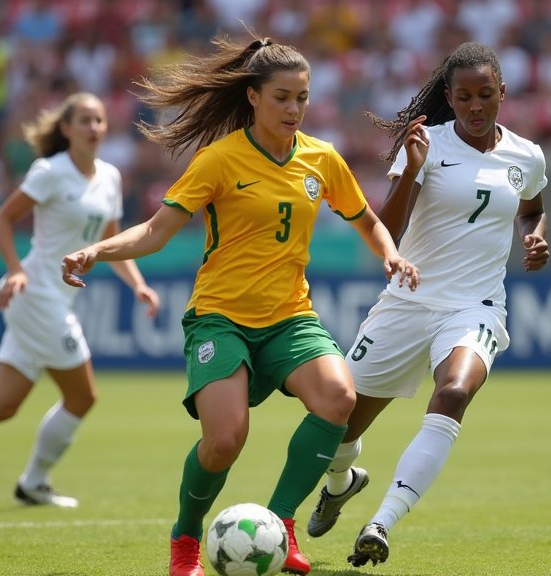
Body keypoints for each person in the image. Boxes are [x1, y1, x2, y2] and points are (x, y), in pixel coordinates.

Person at [60, 35, 419, 576]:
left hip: (290, 317)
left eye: (301, 97)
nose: (294, 109)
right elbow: (156, 232)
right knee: (224, 441)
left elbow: (366, 219)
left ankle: (280, 524)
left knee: (338, 398)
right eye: (281, 97)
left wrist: (390, 254)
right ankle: (185, 539)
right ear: (252, 97)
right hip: (220, 318)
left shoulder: (322, 159)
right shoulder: (220, 160)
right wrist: (96, 250)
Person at [304, 41, 550, 567]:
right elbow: (385, 234)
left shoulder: (526, 156)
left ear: (503, 93)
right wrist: (412, 169)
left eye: (486, 95)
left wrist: (533, 236)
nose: (476, 106)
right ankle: (341, 481)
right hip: (408, 302)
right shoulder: (424, 145)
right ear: (449, 96)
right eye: (465, 97)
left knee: (456, 390)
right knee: (338, 424)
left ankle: (382, 522)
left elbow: (531, 209)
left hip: (475, 307)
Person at [0, 92, 160, 508]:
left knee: (1, 406)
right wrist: (16, 269)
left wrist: (138, 284)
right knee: (83, 396)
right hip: (36, 294)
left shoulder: (110, 176)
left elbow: (110, 243)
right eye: (85, 120)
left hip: (53, 300)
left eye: (100, 120)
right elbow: (2, 220)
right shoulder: (49, 171)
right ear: (66, 129)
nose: (94, 127)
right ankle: (33, 482)